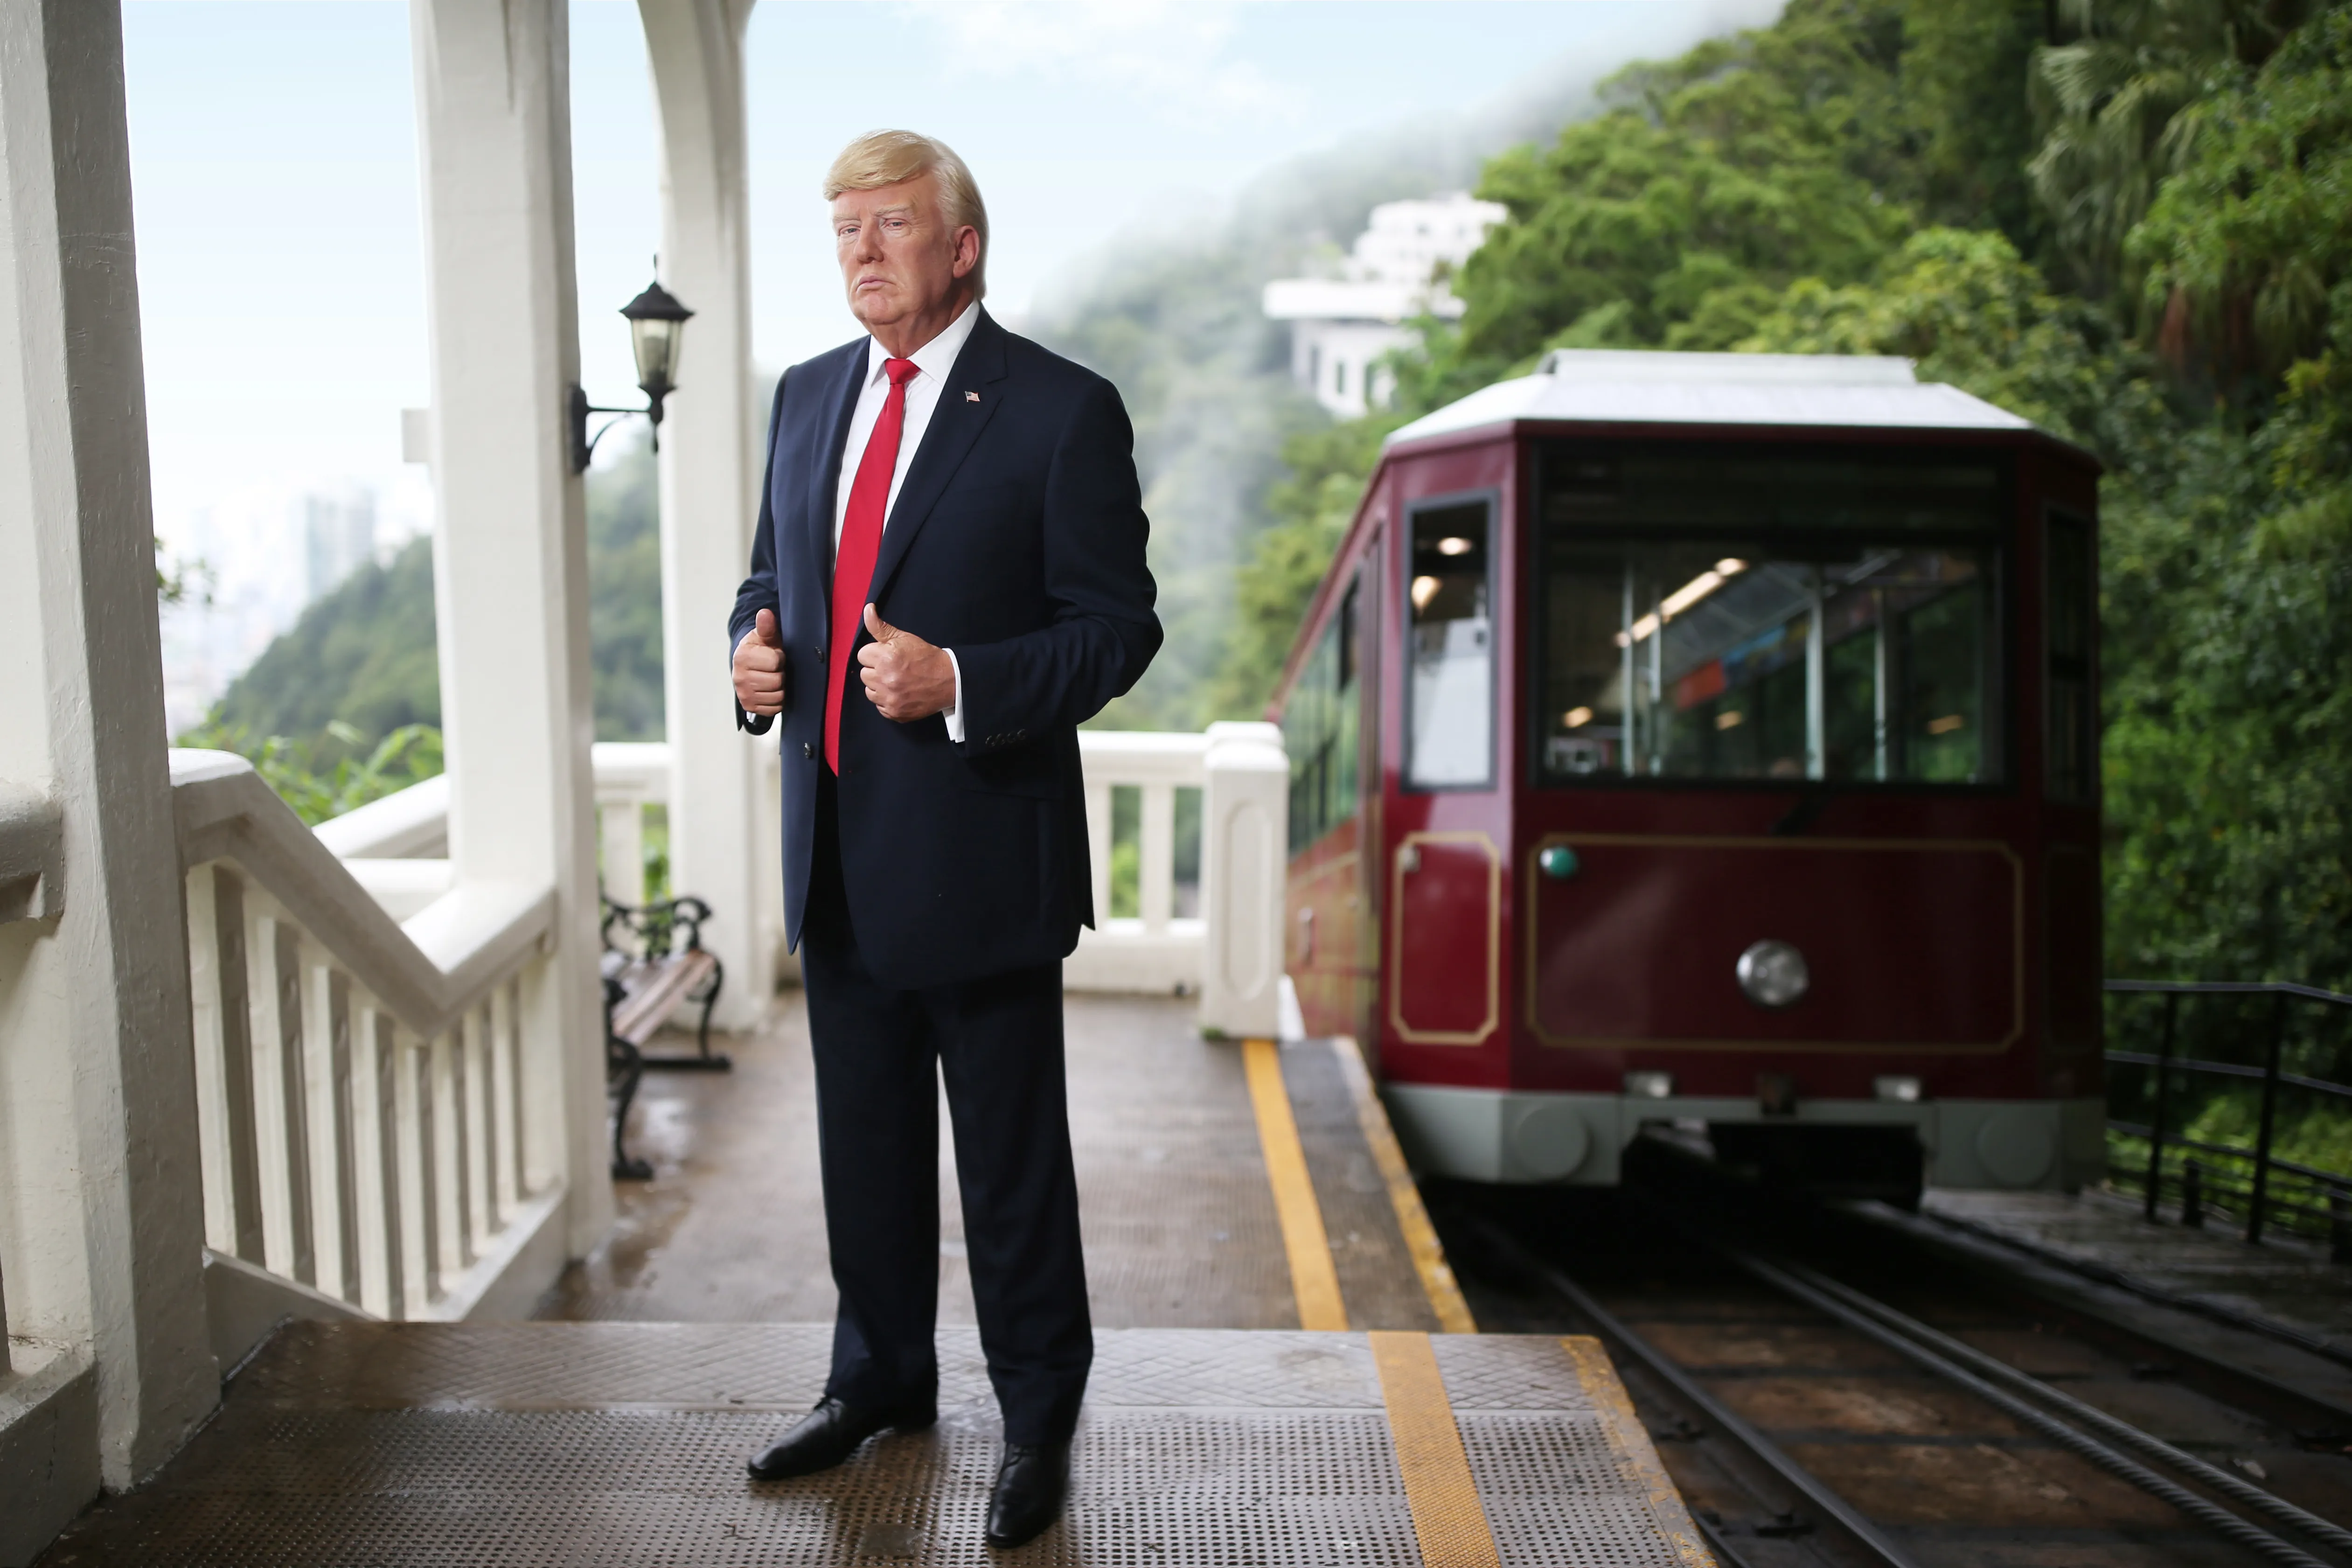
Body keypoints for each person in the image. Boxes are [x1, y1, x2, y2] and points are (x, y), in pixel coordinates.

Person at [727, 129, 1160, 1550]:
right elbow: (767, 573)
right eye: (844, 226)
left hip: (982, 856)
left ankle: (1038, 1417)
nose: (862, 250)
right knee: (864, 1154)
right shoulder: (802, 397)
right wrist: (754, 647)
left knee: (1010, 1167)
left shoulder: (1059, 408)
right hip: (837, 850)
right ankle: (880, 1383)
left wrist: (961, 678)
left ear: (960, 247)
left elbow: (1114, 631)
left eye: (892, 225)